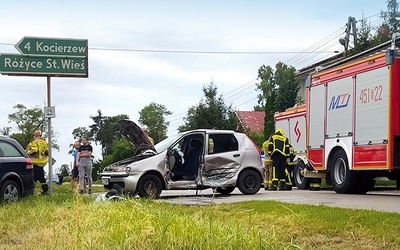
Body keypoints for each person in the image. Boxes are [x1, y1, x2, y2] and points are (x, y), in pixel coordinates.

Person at [26, 130, 49, 195]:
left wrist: (27, 152)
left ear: (34, 135)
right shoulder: (44, 142)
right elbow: (47, 151)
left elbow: (34, 150)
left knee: (39, 176)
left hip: (35, 162)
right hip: (43, 161)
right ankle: (33, 190)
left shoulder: (34, 142)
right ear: (40, 135)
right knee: (36, 176)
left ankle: (44, 190)